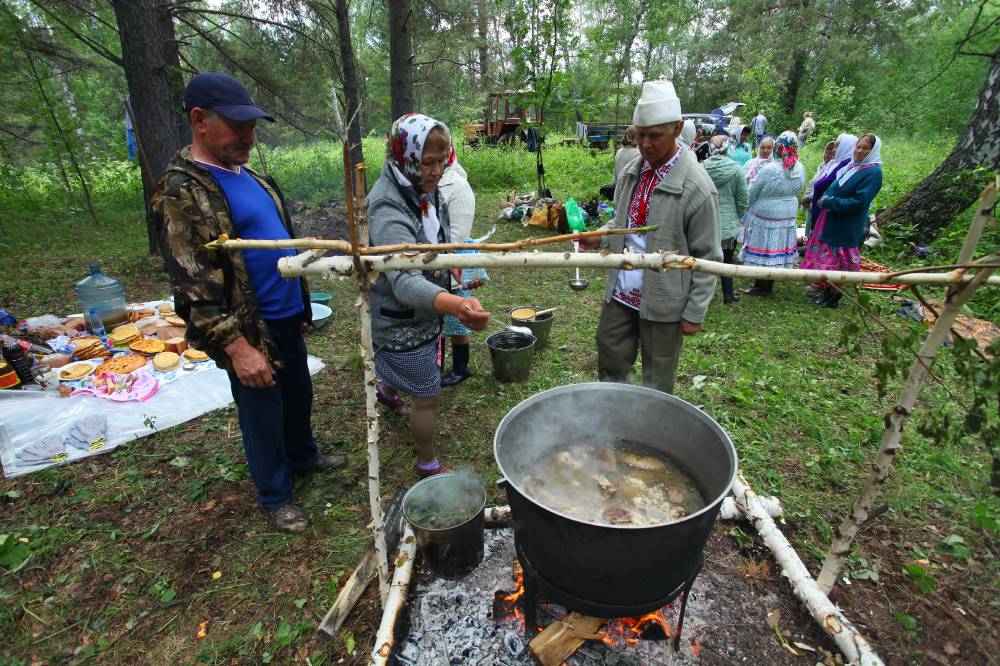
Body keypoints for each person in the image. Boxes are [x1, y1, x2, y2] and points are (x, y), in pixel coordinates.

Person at [151, 72, 346, 534]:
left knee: (297, 391)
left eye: (252, 126)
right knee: (260, 409)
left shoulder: (249, 174)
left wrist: (298, 305)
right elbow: (193, 285)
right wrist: (237, 347)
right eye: (237, 126)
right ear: (199, 120)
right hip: (246, 326)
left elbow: (279, 242)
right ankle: (276, 495)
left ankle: (303, 456)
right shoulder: (183, 190)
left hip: (284, 313)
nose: (248, 136)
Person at [368, 113, 491, 478]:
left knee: (396, 367)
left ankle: (387, 391)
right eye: (428, 162)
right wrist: (456, 304)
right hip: (400, 318)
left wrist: (449, 261)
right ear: (405, 156)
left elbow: (432, 237)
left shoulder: (417, 185)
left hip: (419, 310)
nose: (437, 171)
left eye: (442, 160)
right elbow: (404, 281)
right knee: (427, 394)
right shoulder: (387, 206)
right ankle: (426, 461)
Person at [581, 80, 722, 394]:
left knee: (657, 377)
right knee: (610, 357)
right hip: (622, 292)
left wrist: (695, 310)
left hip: (664, 299)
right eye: (640, 135)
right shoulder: (633, 171)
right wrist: (601, 237)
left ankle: (649, 431)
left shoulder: (696, 187)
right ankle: (615, 422)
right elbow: (623, 222)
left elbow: (708, 256)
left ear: (677, 128)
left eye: (655, 135)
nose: (645, 144)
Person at [800, 134, 883, 308]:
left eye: (865, 148)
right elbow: (836, 186)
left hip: (846, 223)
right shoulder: (854, 167)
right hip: (832, 219)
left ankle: (833, 298)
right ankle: (826, 294)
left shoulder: (872, 172)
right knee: (833, 261)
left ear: (872, 151)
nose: (859, 151)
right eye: (858, 147)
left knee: (841, 263)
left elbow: (860, 201)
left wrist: (831, 202)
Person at [738, 131, 806, 296]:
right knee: (776, 248)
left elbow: (753, 191)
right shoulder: (799, 168)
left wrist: (747, 204)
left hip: (766, 214)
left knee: (764, 248)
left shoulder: (771, 168)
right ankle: (767, 284)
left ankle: (760, 285)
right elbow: (800, 188)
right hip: (787, 213)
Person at [438, 158, 480, 386]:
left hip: (452, 263)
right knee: (441, 320)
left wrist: (446, 256)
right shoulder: (434, 181)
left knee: (456, 320)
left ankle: (461, 368)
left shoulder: (458, 187)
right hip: (437, 263)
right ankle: (438, 366)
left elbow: (458, 235)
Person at [798, 133, 859, 293]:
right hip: (821, 209)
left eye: (838, 145)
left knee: (830, 252)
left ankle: (827, 287)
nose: (834, 149)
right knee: (821, 247)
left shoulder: (845, 165)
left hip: (831, 211)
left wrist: (824, 200)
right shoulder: (836, 163)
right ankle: (821, 282)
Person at [702, 135, 749, 304]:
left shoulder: (701, 168)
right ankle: (728, 295)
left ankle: (700, 295)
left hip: (705, 222)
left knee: (703, 260)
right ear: (727, 149)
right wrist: (737, 215)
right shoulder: (736, 169)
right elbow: (743, 199)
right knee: (727, 259)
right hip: (728, 225)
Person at [800, 140, 837, 237]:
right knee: (808, 230)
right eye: (826, 152)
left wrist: (809, 197)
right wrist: (806, 196)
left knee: (816, 231)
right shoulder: (821, 166)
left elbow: (826, 188)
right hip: (811, 204)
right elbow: (812, 183)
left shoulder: (834, 169)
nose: (827, 156)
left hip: (819, 205)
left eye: (831, 154)